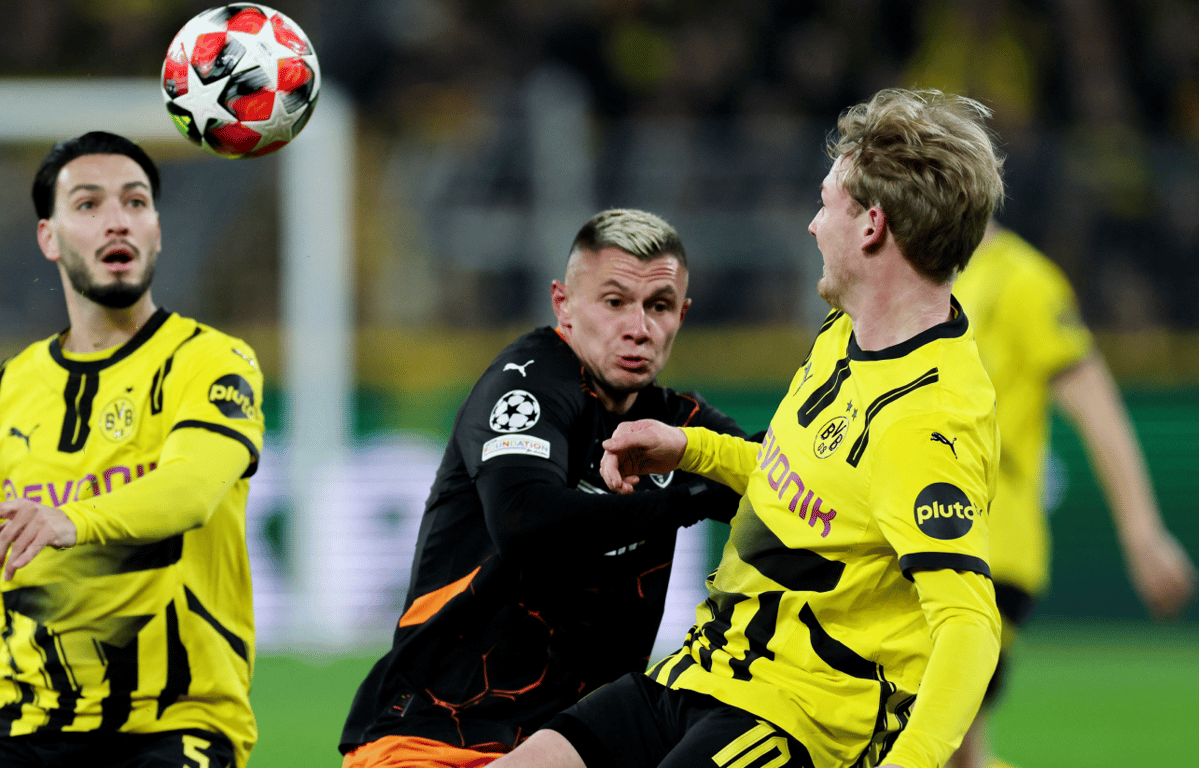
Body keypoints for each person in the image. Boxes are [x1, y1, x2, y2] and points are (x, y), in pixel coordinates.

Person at [491, 88, 1007, 768]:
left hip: (797, 720)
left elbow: (969, 625)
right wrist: (692, 449)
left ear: (872, 226)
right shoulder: (848, 334)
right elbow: (811, 493)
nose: (812, 226)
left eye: (826, 203)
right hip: (709, 670)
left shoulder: (926, 421)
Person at [339, 209, 752, 767]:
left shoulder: (677, 424)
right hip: (435, 736)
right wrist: (691, 497)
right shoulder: (528, 384)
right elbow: (525, 521)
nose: (638, 327)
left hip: (572, 748)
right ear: (564, 305)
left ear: (682, 315)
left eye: (658, 306)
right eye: (614, 302)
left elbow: (783, 474)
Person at [0, 132, 263, 768]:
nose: (117, 220)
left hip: (177, 726)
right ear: (49, 238)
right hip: (23, 729)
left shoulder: (212, 361)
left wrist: (70, 520)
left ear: (157, 231)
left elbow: (191, 490)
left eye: (136, 202)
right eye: (89, 204)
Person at [946, 222, 1197, 768]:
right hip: (918, 546)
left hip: (987, 551)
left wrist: (1143, 532)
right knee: (949, 752)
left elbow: (1096, 405)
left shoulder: (1022, 279)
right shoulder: (914, 274)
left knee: (932, 745)